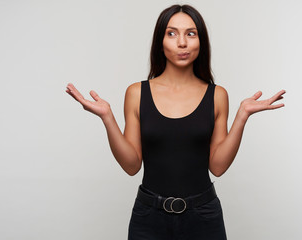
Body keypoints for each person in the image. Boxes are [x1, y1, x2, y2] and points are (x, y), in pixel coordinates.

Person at [65, 4, 285, 240]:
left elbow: (218, 167)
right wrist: (107, 118)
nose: (182, 43)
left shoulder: (217, 95)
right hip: (148, 218)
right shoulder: (137, 93)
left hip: (203, 217)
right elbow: (131, 166)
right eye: (172, 33)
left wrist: (242, 116)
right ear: (160, 42)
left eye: (191, 33)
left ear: (201, 42)